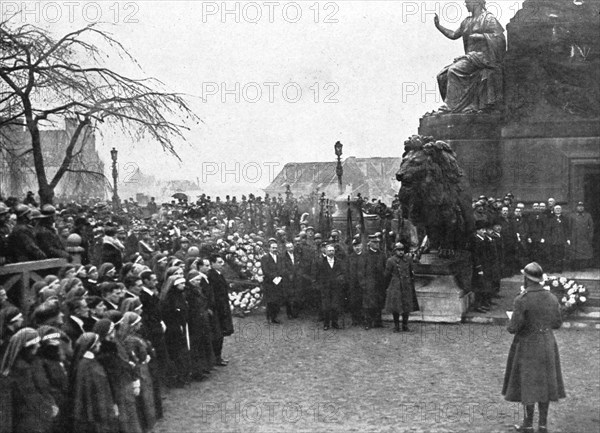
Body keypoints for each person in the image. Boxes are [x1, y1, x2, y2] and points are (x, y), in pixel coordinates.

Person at [502, 262, 565, 433]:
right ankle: (543, 425)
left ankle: (528, 424)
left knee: (528, 383)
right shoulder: (551, 298)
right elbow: (557, 323)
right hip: (547, 343)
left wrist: (511, 321)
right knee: (545, 384)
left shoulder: (522, 299)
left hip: (528, 344)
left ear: (526, 279)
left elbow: (513, 328)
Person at [433, 0, 506, 113]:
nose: (466, 4)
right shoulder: (466, 22)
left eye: (467, 2)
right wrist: (439, 26)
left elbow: (500, 39)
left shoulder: (488, 18)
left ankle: (451, 106)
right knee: (442, 75)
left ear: (476, 2)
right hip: (471, 57)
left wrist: (481, 36)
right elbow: (453, 35)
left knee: (453, 70)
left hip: (484, 58)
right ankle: (460, 105)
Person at [69, 332, 119, 433]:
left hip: (103, 409)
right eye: (97, 343)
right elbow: (86, 396)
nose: (100, 344)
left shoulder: (92, 362)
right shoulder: (84, 366)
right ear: (91, 346)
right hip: (97, 414)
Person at [384, 243, 420, 332]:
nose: (401, 252)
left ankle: (405, 325)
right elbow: (387, 274)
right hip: (395, 285)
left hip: (406, 285)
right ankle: (396, 326)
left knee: (406, 306)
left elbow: (412, 272)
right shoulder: (390, 261)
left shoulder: (408, 259)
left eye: (402, 250)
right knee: (396, 306)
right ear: (395, 251)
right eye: (398, 250)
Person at [207, 254, 234, 366]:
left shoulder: (218, 274)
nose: (221, 264)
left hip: (222, 307)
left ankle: (218, 356)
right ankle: (216, 357)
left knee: (221, 333)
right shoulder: (212, 276)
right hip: (219, 308)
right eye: (218, 262)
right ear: (212, 264)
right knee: (218, 334)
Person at [315, 243, 346, 330]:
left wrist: (341, 278)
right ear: (325, 251)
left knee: (335, 306)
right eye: (329, 250)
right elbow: (316, 275)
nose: (331, 252)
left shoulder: (339, 261)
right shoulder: (320, 262)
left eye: (332, 250)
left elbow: (343, 273)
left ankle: (335, 323)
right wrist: (318, 285)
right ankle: (326, 324)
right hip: (325, 288)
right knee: (326, 307)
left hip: (336, 287)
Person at [261, 240, 284, 324]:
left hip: (279, 281)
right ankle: (269, 317)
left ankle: (275, 317)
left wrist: (279, 277)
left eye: (276, 248)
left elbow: (282, 268)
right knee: (270, 301)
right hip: (269, 282)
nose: (275, 249)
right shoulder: (265, 258)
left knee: (277, 300)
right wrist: (274, 277)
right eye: (273, 248)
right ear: (269, 249)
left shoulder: (280, 257)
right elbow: (265, 270)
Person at [568, 202, 594, 270]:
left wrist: (590, 236)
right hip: (574, 237)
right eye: (579, 206)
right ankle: (574, 267)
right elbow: (569, 227)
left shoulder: (588, 215)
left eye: (582, 206)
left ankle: (582, 267)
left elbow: (591, 227)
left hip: (584, 237)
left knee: (583, 252)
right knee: (574, 252)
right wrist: (569, 237)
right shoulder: (572, 216)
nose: (580, 208)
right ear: (576, 207)